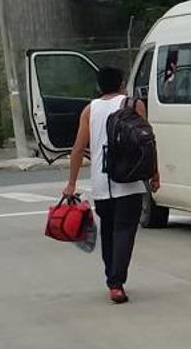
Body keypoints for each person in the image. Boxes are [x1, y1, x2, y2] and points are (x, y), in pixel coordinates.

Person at [61, 65, 156, 304]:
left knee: (109, 231)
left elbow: (77, 149)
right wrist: (154, 174)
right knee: (125, 231)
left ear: (99, 86)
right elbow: (147, 142)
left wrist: (71, 184)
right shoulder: (134, 105)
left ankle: (112, 280)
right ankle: (117, 282)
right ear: (122, 84)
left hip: (102, 183)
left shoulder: (89, 110)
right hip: (131, 180)